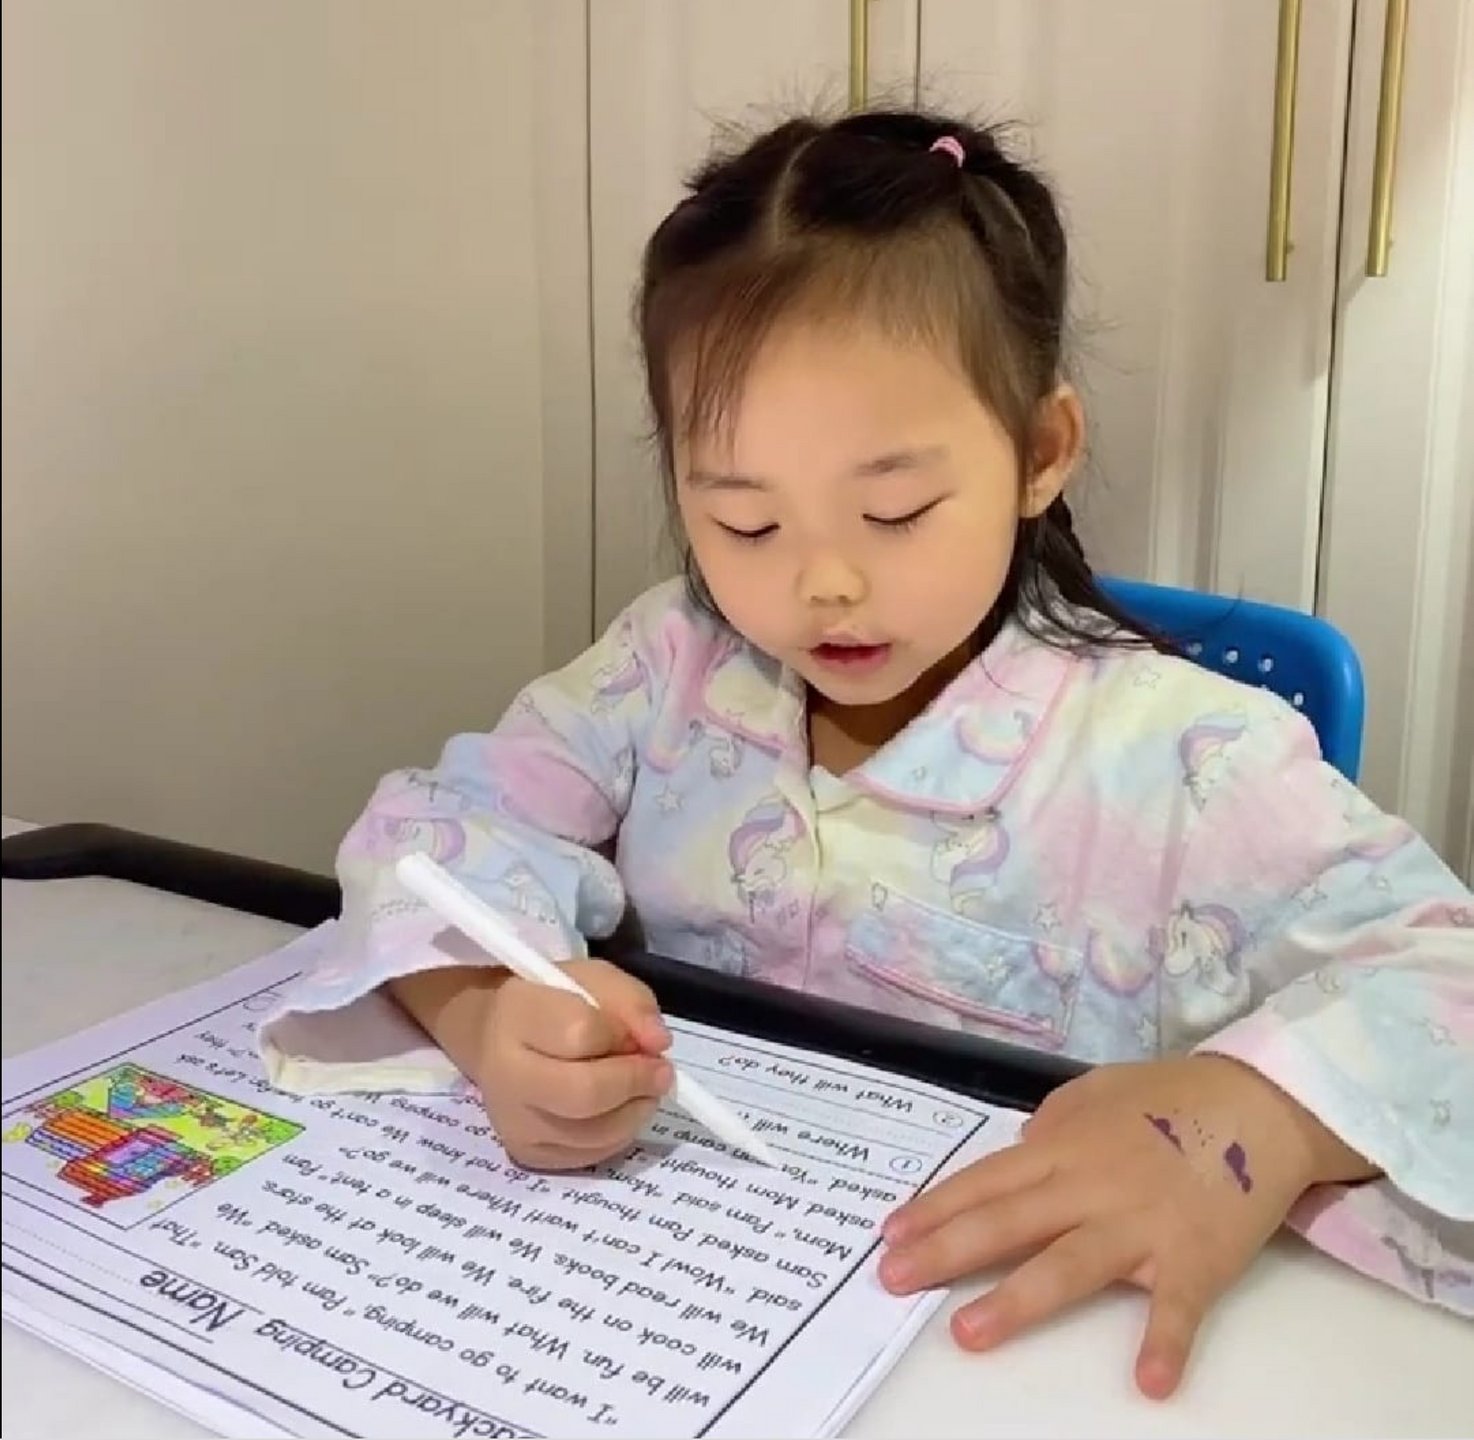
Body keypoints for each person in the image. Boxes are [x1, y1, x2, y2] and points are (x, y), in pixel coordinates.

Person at [259, 108, 1473, 1398]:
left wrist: (1251, 1119)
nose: (822, 583)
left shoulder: (1186, 759)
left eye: (894, 511)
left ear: (1040, 453)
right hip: (674, 1314)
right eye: (745, 521)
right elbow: (437, 833)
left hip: (1016, 1350)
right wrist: (491, 1016)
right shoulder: (669, 664)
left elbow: (1444, 977)